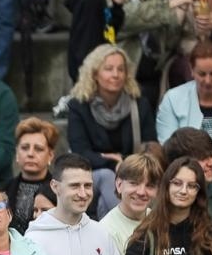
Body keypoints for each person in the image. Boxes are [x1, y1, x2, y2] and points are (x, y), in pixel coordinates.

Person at [65, 45, 153, 183]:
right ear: (94, 74)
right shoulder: (79, 106)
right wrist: (112, 163)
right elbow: (80, 153)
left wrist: (124, 164)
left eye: (120, 69)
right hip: (92, 174)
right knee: (107, 177)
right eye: (108, 69)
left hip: (133, 173)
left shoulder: (140, 104)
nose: (115, 75)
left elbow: (150, 145)